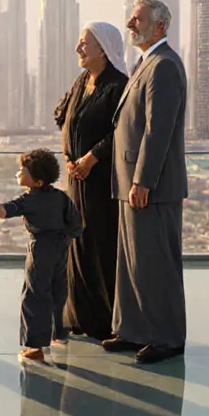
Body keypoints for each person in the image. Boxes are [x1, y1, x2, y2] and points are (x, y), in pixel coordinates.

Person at [104, 0, 188, 364]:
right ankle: (133, 330)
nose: (129, 24)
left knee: (155, 264)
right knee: (133, 262)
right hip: (132, 183)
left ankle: (166, 339)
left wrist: (142, 182)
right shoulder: (147, 63)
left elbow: (158, 131)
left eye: (137, 19)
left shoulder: (165, 66)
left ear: (160, 26)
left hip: (150, 187)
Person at [56, 22, 129, 341]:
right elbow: (62, 116)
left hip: (102, 183)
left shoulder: (118, 85)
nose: (78, 49)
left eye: (84, 43)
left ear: (103, 48)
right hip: (76, 180)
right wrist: (70, 158)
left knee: (101, 246)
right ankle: (81, 318)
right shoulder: (81, 81)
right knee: (78, 246)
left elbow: (124, 131)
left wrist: (90, 158)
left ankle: (106, 322)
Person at [0, 148, 82, 362]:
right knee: (58, 289)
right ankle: (59, 334)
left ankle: (35, 347)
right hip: (62, 246)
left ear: (38, 182)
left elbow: (4, 212)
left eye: (23, 170)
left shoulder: (30, 199)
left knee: (35, 294)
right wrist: (66, 240)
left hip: (41, 247)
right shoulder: (61, 197)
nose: (18, 173)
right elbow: (76, 223)